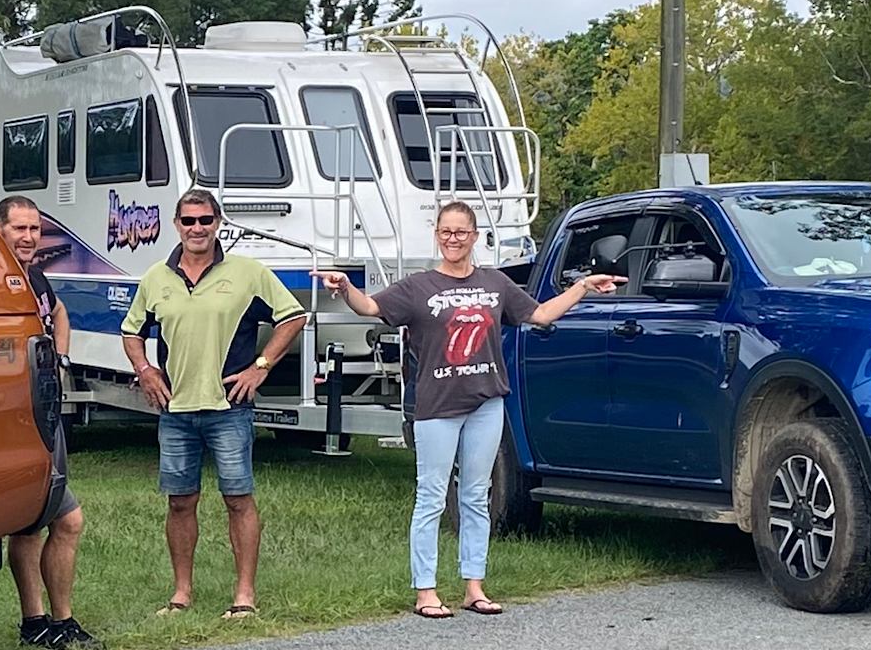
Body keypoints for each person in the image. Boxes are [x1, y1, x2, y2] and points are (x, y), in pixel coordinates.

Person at [323, 200, 622, 617]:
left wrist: (583, 287)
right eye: (446, 232)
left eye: (461, 232)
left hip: (486, 402)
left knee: (477, 495)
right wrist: (345, 288)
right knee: (431, 497)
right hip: (437, 405)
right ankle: (425, 591)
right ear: (436, 235)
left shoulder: (495, 282)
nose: (453, 239)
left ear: (475, 236)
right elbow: (371, 307)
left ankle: (474, 587)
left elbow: (538, 315)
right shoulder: (418, 286)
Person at [121, 192, 305, 617]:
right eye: (189, 220)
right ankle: (181, 594)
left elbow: (293, 317)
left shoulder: (247, 273)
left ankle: (244, 597)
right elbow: (132, 331)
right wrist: (145, 370)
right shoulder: (156, 277)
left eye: (205, 220)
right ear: (176, 224)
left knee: (238, 499)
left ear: (218, 222)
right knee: (180, 502)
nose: (197, 228)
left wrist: (260, 366)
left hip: (229, 408)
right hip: (175, 410)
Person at [0, 197, 92, 650]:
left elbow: (58, 311)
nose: (29, 237)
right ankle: (48, 621)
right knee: (58, 519)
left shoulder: (33, 275)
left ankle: (44, 623)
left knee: (40, 522)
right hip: (14, 421)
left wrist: (61, 359)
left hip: (44, 412)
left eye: (34, 229)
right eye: (19, 228)